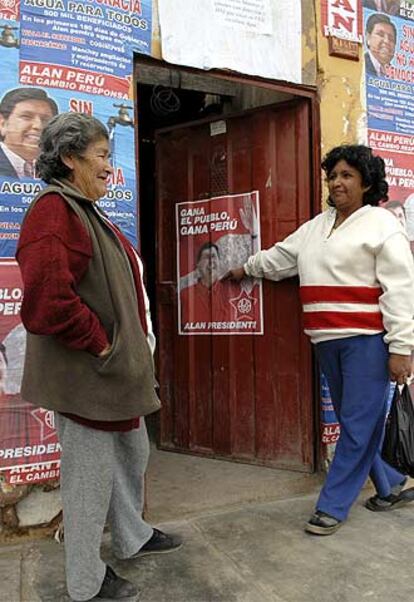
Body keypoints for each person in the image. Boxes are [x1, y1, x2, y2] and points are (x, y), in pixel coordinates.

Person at [16, 113, 182, 601]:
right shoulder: (54, 211)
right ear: (70, 158)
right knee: (88, 480)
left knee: (133, 451)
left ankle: (133, 536)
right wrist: (103, 344)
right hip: (89, 374)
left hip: (115, 374)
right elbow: (48, 300)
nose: (110, 166)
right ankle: (86, 581)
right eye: (102, 155)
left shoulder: (85, 209)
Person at [226, 145, 414, 536]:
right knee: (355, 421)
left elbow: (400, 289)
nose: (337, 183)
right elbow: (282, 257)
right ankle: (392, 483)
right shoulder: (318, 225)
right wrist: (245, 267)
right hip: (327, 342)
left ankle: (332, 505)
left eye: (347, 175)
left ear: (366, 182)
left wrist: (401, 347)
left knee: (358, 427)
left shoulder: (381, 224)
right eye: (333, 176)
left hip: (367, 342)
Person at [180, 241, 248, 327]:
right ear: (198, 264)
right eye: (206, 257)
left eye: (213, 256)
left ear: (219, 261)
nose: (211, 262)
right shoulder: (185, 295)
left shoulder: (234, 293)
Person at [0, 87, 58, 178]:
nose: (38, 126)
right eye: (26, 117)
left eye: (45, 119)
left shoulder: (54, 171)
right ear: (2, 124)